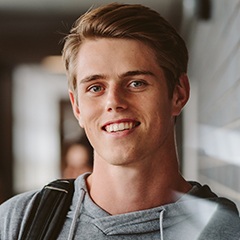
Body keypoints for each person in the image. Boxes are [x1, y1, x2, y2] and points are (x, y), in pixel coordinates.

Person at [0, 3, 240, 239]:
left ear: (179, 93)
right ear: (77, 107)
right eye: (95, 87)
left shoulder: (226, 231)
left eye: (136, 83)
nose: (113, 102)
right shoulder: (17, 221)